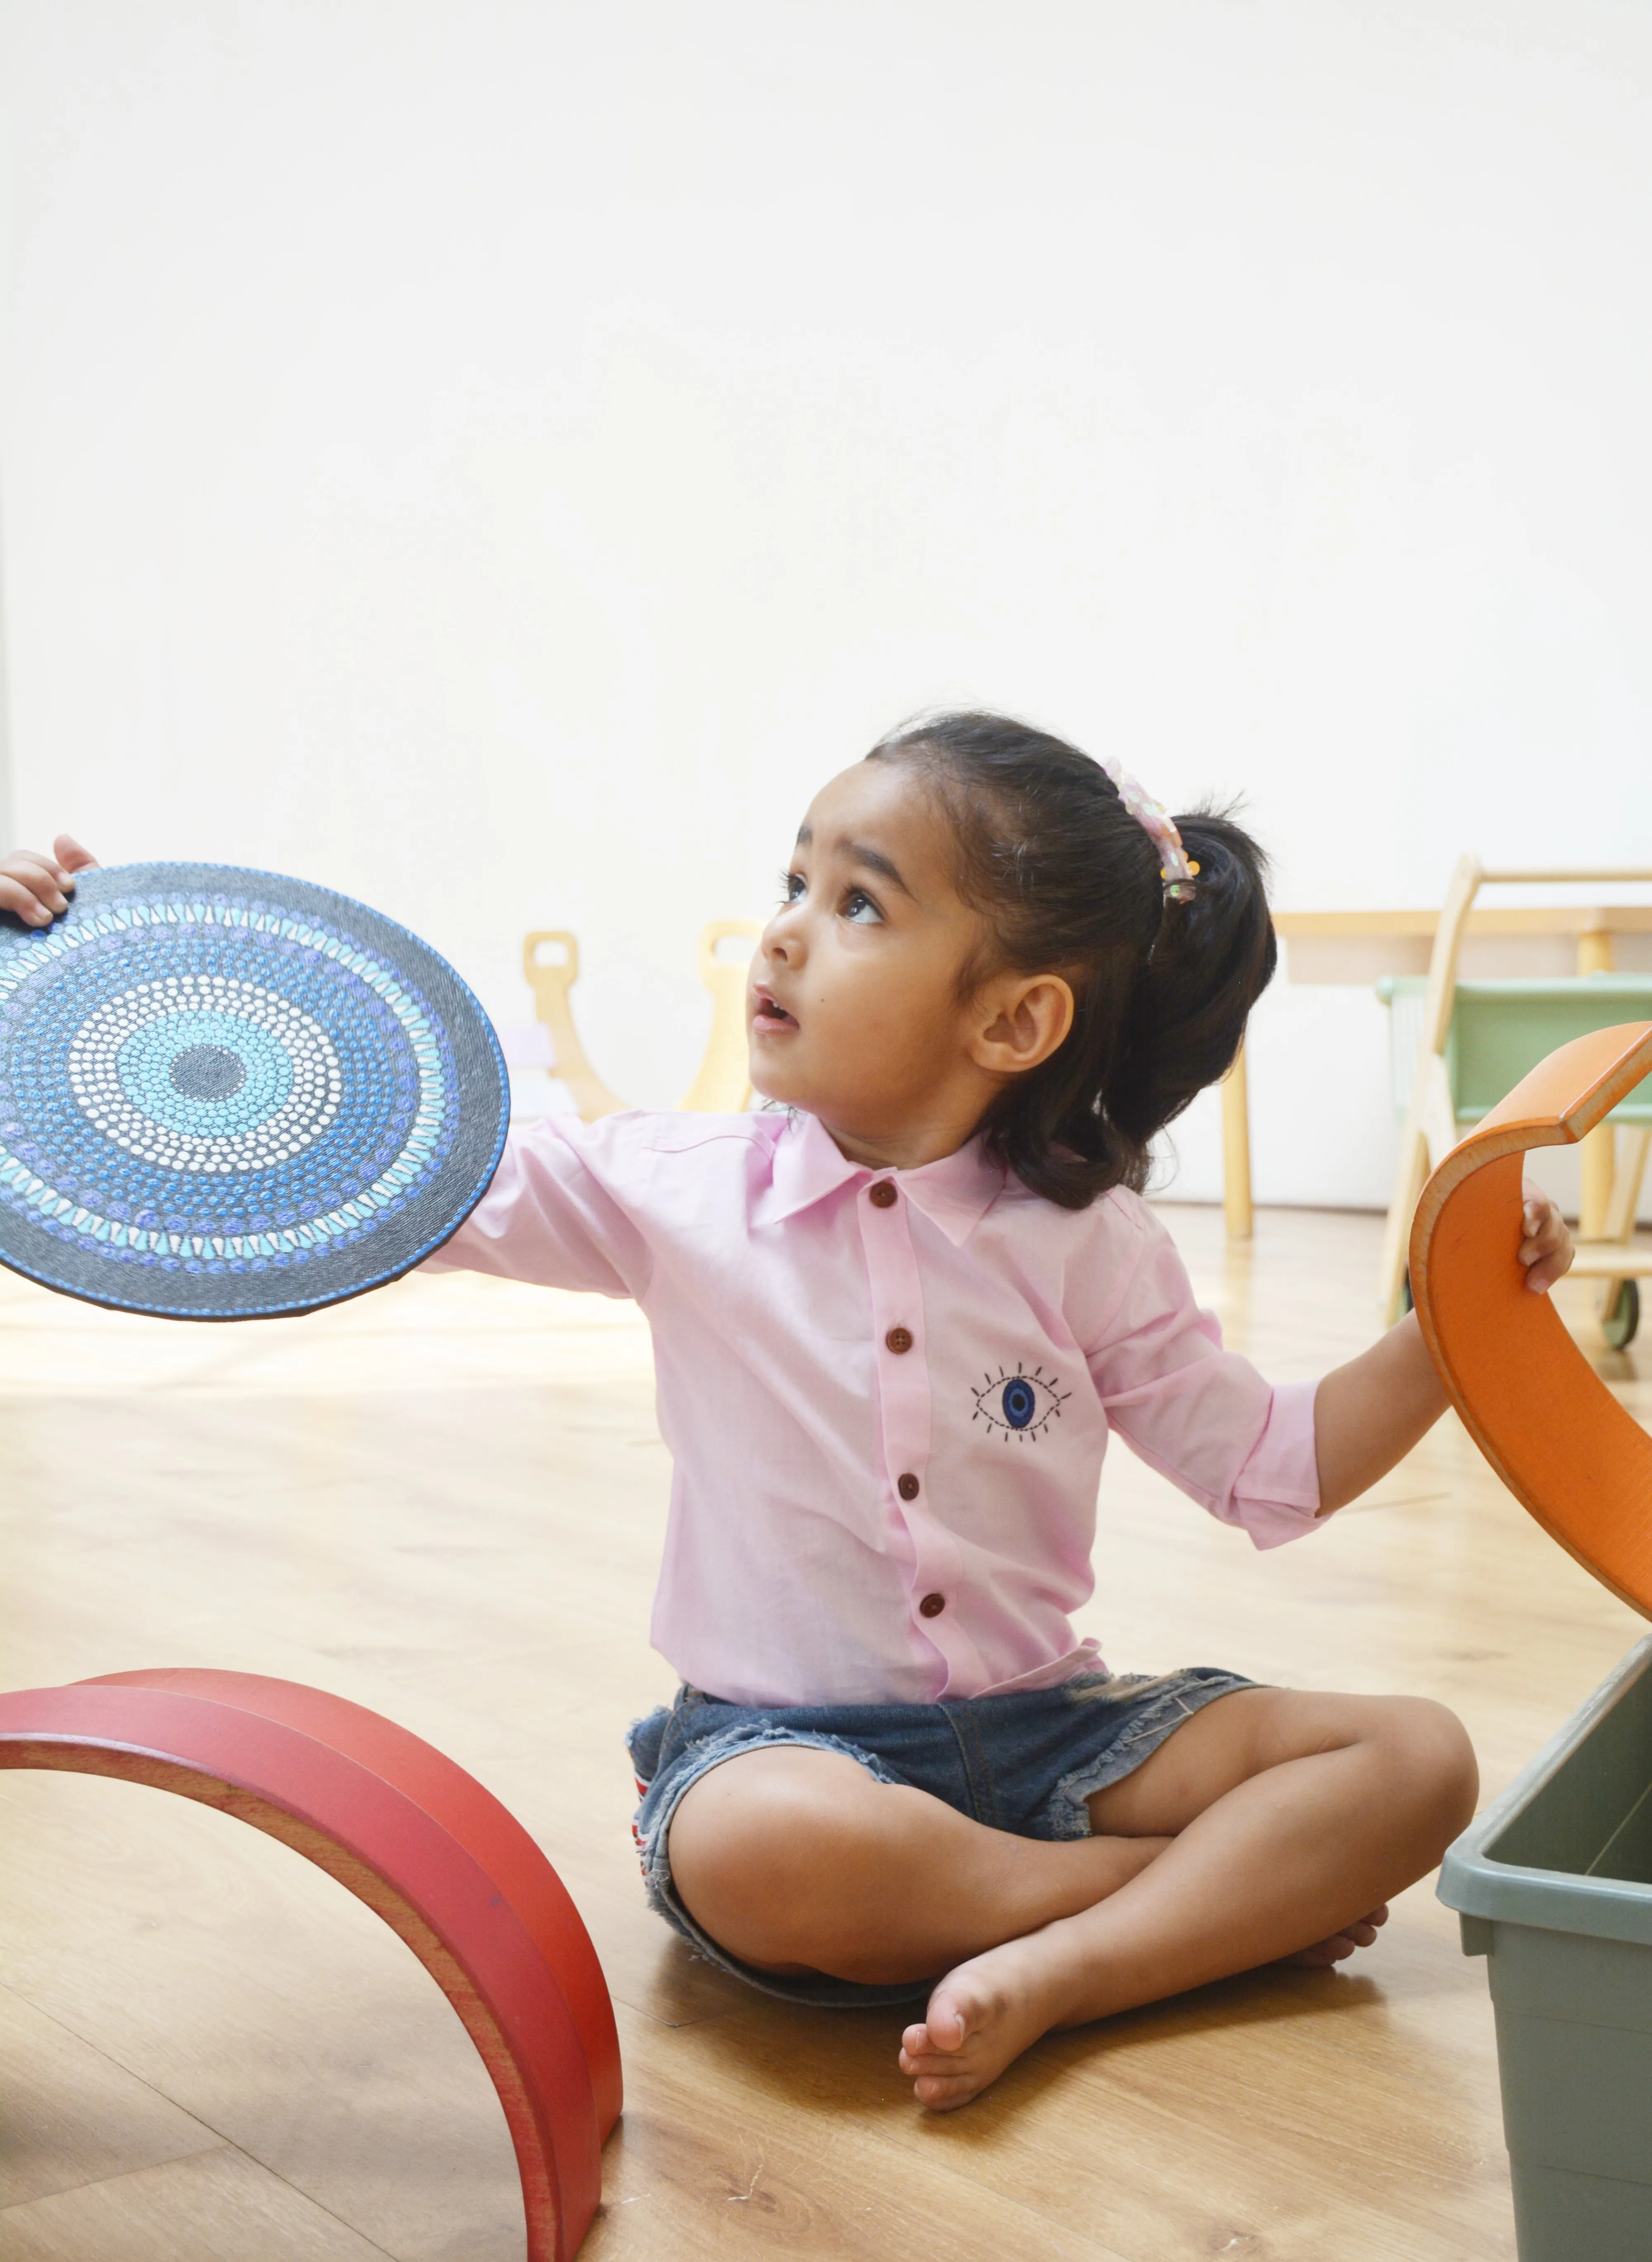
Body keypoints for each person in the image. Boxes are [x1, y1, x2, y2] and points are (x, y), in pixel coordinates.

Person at [0, 722, 1571, 2112]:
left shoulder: (1090, 1248)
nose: (785, 936)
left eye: (860, 902)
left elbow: (1274, 1471)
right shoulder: (667, 1192)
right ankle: (1166, 1911)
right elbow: (384, 1155)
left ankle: (1068, 1963)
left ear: (1014, 1024)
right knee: (757, 1855)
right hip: (781, 1753)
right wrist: (91, 978)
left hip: (1054, 1730)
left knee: (1418, 1757)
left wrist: (1450, 1329)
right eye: (795, 883)